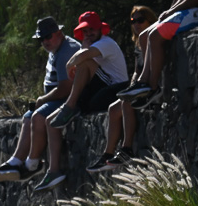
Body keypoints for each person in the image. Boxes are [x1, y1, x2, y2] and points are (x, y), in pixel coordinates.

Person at [35, 11, 129, 192]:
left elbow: (80, 59)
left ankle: (70, 106)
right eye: (85, 31)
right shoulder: (88, 47)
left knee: (84, 63)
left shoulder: (106, 43)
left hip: (114, 89)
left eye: (92, 29)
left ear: (100, 29)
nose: (88, 34)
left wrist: (71, 63)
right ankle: (53, 170)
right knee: (50, 121)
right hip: (97, 92)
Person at [0, 17, 80, 183]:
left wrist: (43, 99)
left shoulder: (67, 51)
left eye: (48, 37)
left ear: (59, 33)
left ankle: (32, 164)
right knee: (28, 117)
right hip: (58, 99)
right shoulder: (56, 48)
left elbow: (66, 87)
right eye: (41, 39)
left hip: (71, 98)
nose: (44, 42)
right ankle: (15, 162)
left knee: (38, 116)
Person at [117, 0, 198, 106]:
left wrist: (172, 11)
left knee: (154, 36)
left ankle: (153, 88)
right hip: (192, 11)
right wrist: (171, 11)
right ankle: (143, 81)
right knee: (144, 36)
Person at [86, 6, 158, 173]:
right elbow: (137, 71)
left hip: (152, 87)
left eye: (140, 20)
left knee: (126, 103)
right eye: (133, 21)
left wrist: (138, 88)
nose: (136, 24)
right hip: (139, 86)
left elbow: (151, 68)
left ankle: (127, 148)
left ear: (150, 21)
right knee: (113, 108)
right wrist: (132, 86)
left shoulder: (152, 40)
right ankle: (107, 154)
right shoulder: (139, 43)